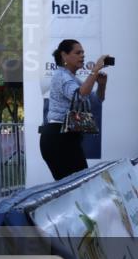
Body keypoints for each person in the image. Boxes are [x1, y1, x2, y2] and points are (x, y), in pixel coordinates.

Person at [40, 40, 108, 180]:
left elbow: (94, 101)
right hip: (58, 138)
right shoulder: (61, 76)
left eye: (83, 53)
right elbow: (79, 95)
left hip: (67, 137)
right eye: (78, 52)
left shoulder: (72, 78)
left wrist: (101, 86)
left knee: (79, 186)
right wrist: (94, 70)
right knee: (75, 187)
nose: (82, 56)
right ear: (64, 56)